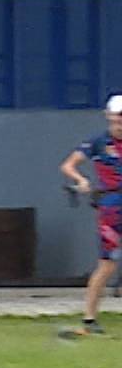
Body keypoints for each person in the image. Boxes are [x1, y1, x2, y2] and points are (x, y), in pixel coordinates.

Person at [58, 94, 122, 336]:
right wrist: (81, 180)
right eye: (118, 115)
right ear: (109, 116)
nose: (121, 121)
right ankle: (89, 319)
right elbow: (68, 165)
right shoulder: (97, 142)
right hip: (111, 206)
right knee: (106, 266)